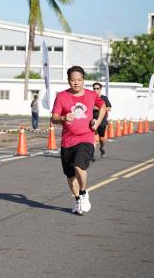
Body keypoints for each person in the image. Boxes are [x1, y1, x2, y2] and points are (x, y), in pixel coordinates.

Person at [51, 66, 106, 215]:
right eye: (73, 80)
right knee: (70, 175)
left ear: (83, 80)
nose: (76, 83)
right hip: (67, 141)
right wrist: (63, 117)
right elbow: (54, 117)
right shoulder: (62, 96)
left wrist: (98, 121)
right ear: (69, 80)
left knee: (79, 166)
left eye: (79, 80)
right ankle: (77, 200)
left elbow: (103, 107)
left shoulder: (91, 95)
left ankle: (83, 193)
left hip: (86, 138)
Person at [92, 83, 112, 159]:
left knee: (101, 138)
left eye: (97, 88)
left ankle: (102, 148)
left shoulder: (104, 98)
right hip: (93, 120)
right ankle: (92, 153)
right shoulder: (90, 97)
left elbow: (109, 108)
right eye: (94, 88)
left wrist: (98, 108)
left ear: (100, 89)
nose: (95, 90)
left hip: (102, 121)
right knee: (92, 137)